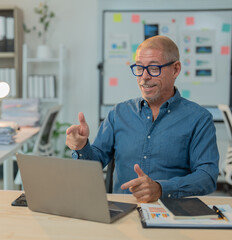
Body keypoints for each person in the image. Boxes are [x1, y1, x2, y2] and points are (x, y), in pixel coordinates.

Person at [66, 35, 219, 203]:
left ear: (175, 69)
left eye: (153, 68)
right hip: (123, 211)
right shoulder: (119, 113)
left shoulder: (199, 118)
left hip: (172, 212)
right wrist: (82, 147)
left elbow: (207, 176)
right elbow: (94, 164)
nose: (144, 77)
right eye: (139, 68)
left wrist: (161, 189)